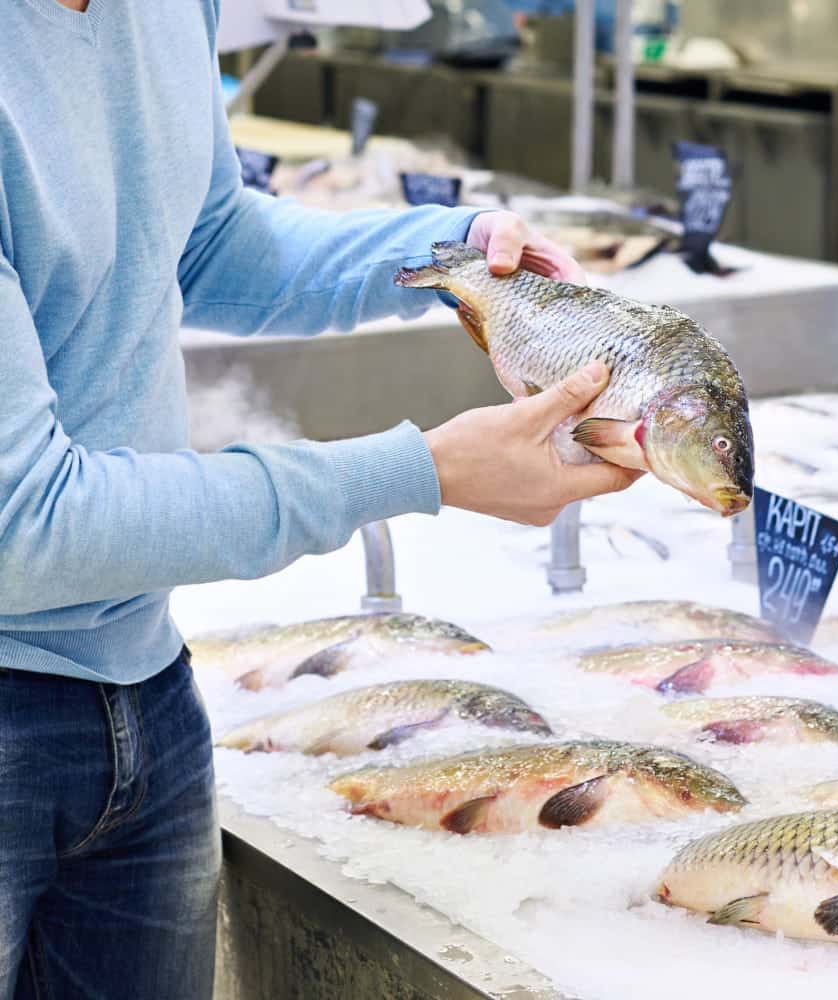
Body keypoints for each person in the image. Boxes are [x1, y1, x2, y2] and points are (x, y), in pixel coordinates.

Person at [0, 3, 643, 997]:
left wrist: (451, 256)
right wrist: (424, 470)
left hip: (150, 697)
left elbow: (205, 238)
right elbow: (29, 525)